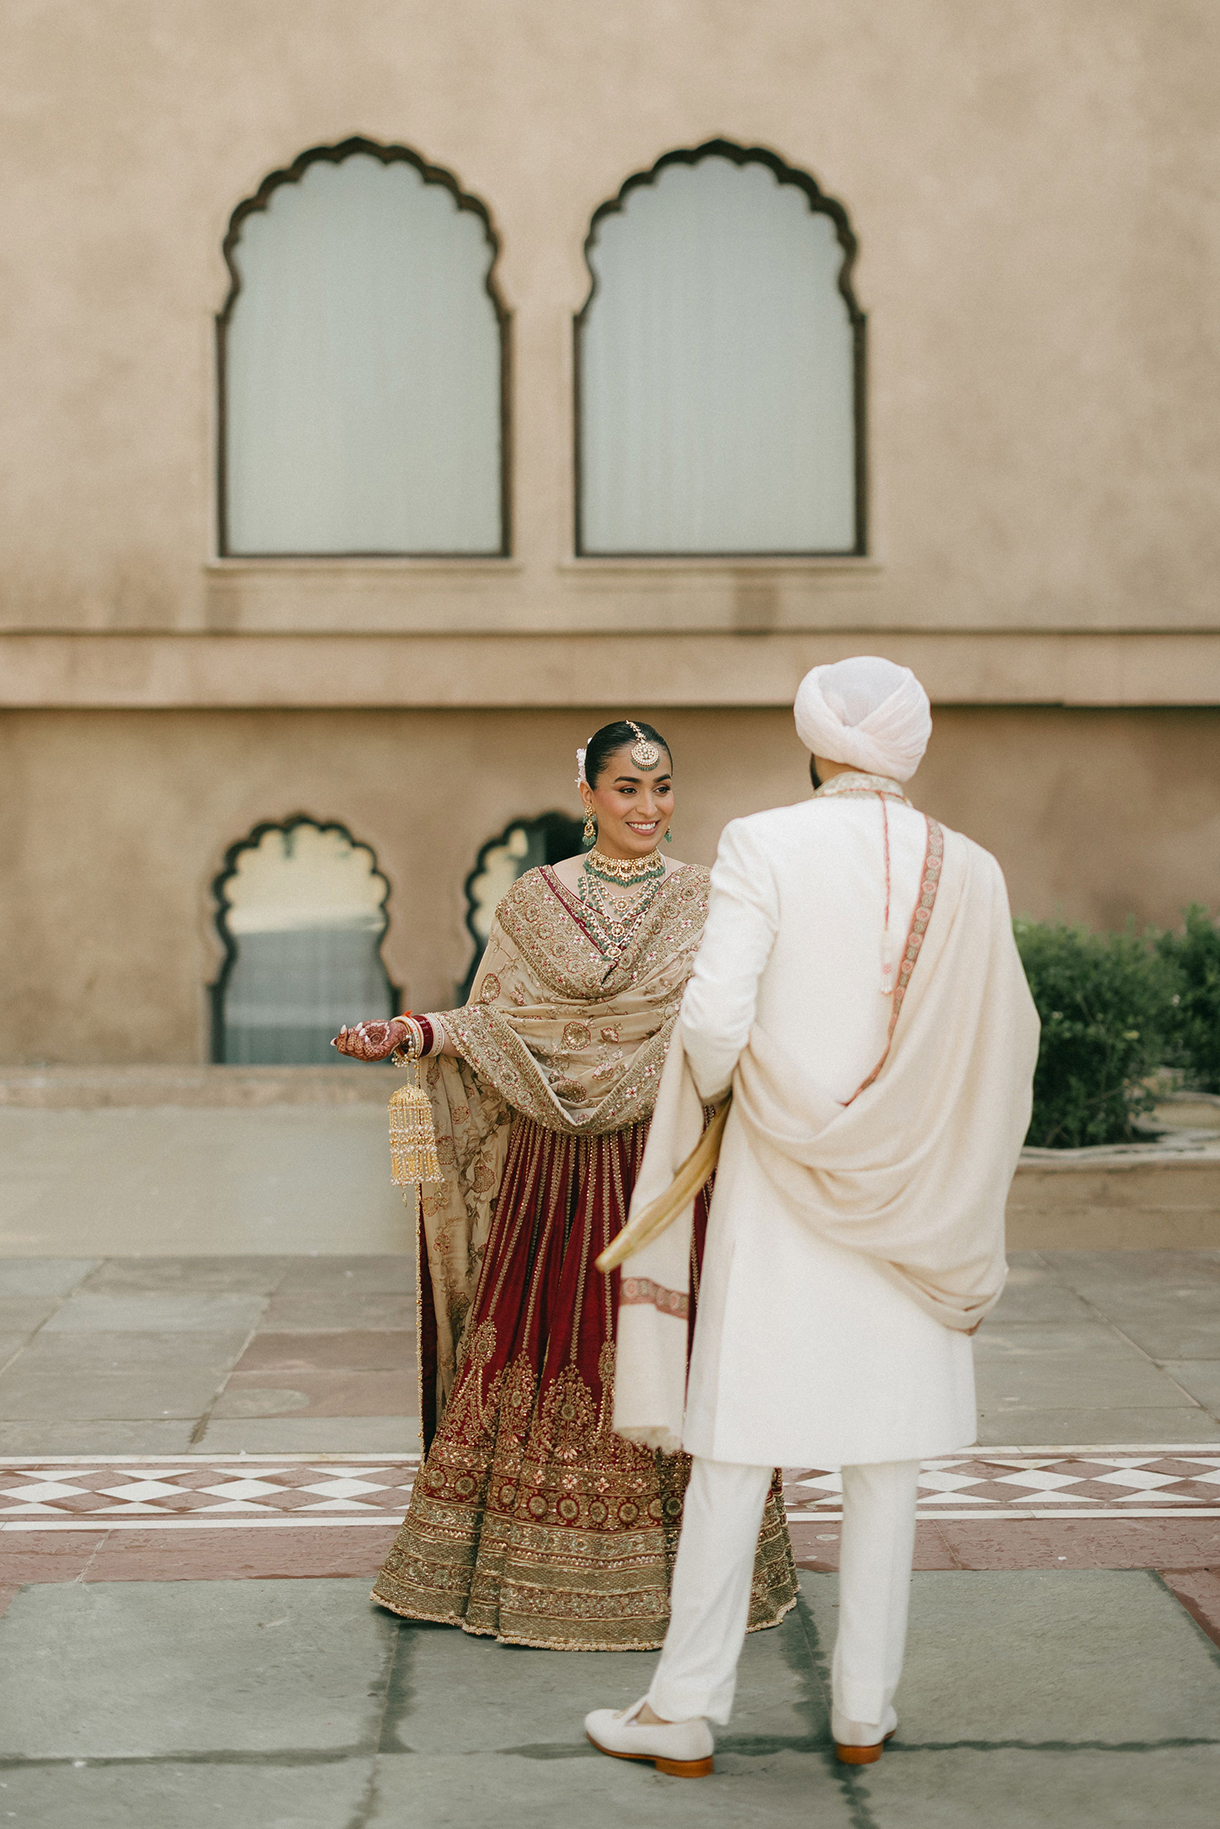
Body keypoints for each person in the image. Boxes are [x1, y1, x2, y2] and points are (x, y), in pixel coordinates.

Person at [584, 658, 1039, 1773]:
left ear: (816, 740)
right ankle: (862, 1711)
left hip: (780, 1188)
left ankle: (683, 1709)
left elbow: (712, 1017)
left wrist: (753, 1100)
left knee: (740, 1447)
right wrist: (922, 1136)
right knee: (885, 1461)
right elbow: (1011, 1040)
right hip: (918, 1203)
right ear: (907, 746)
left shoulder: (761, 842)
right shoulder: (971, 870)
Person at [334, 719, 797, 1651]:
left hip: (662, 1171)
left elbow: (733, 1024)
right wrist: (414, 1034)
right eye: (627, 788)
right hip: (550, 1181)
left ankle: (693, 1574)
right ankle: (513, 1562)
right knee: (543, 1351)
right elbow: (501, 1020)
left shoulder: (708, 899)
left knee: (669, 1348)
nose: (649, 808)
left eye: (662, 789)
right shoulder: (532, 902)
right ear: (586, 795)